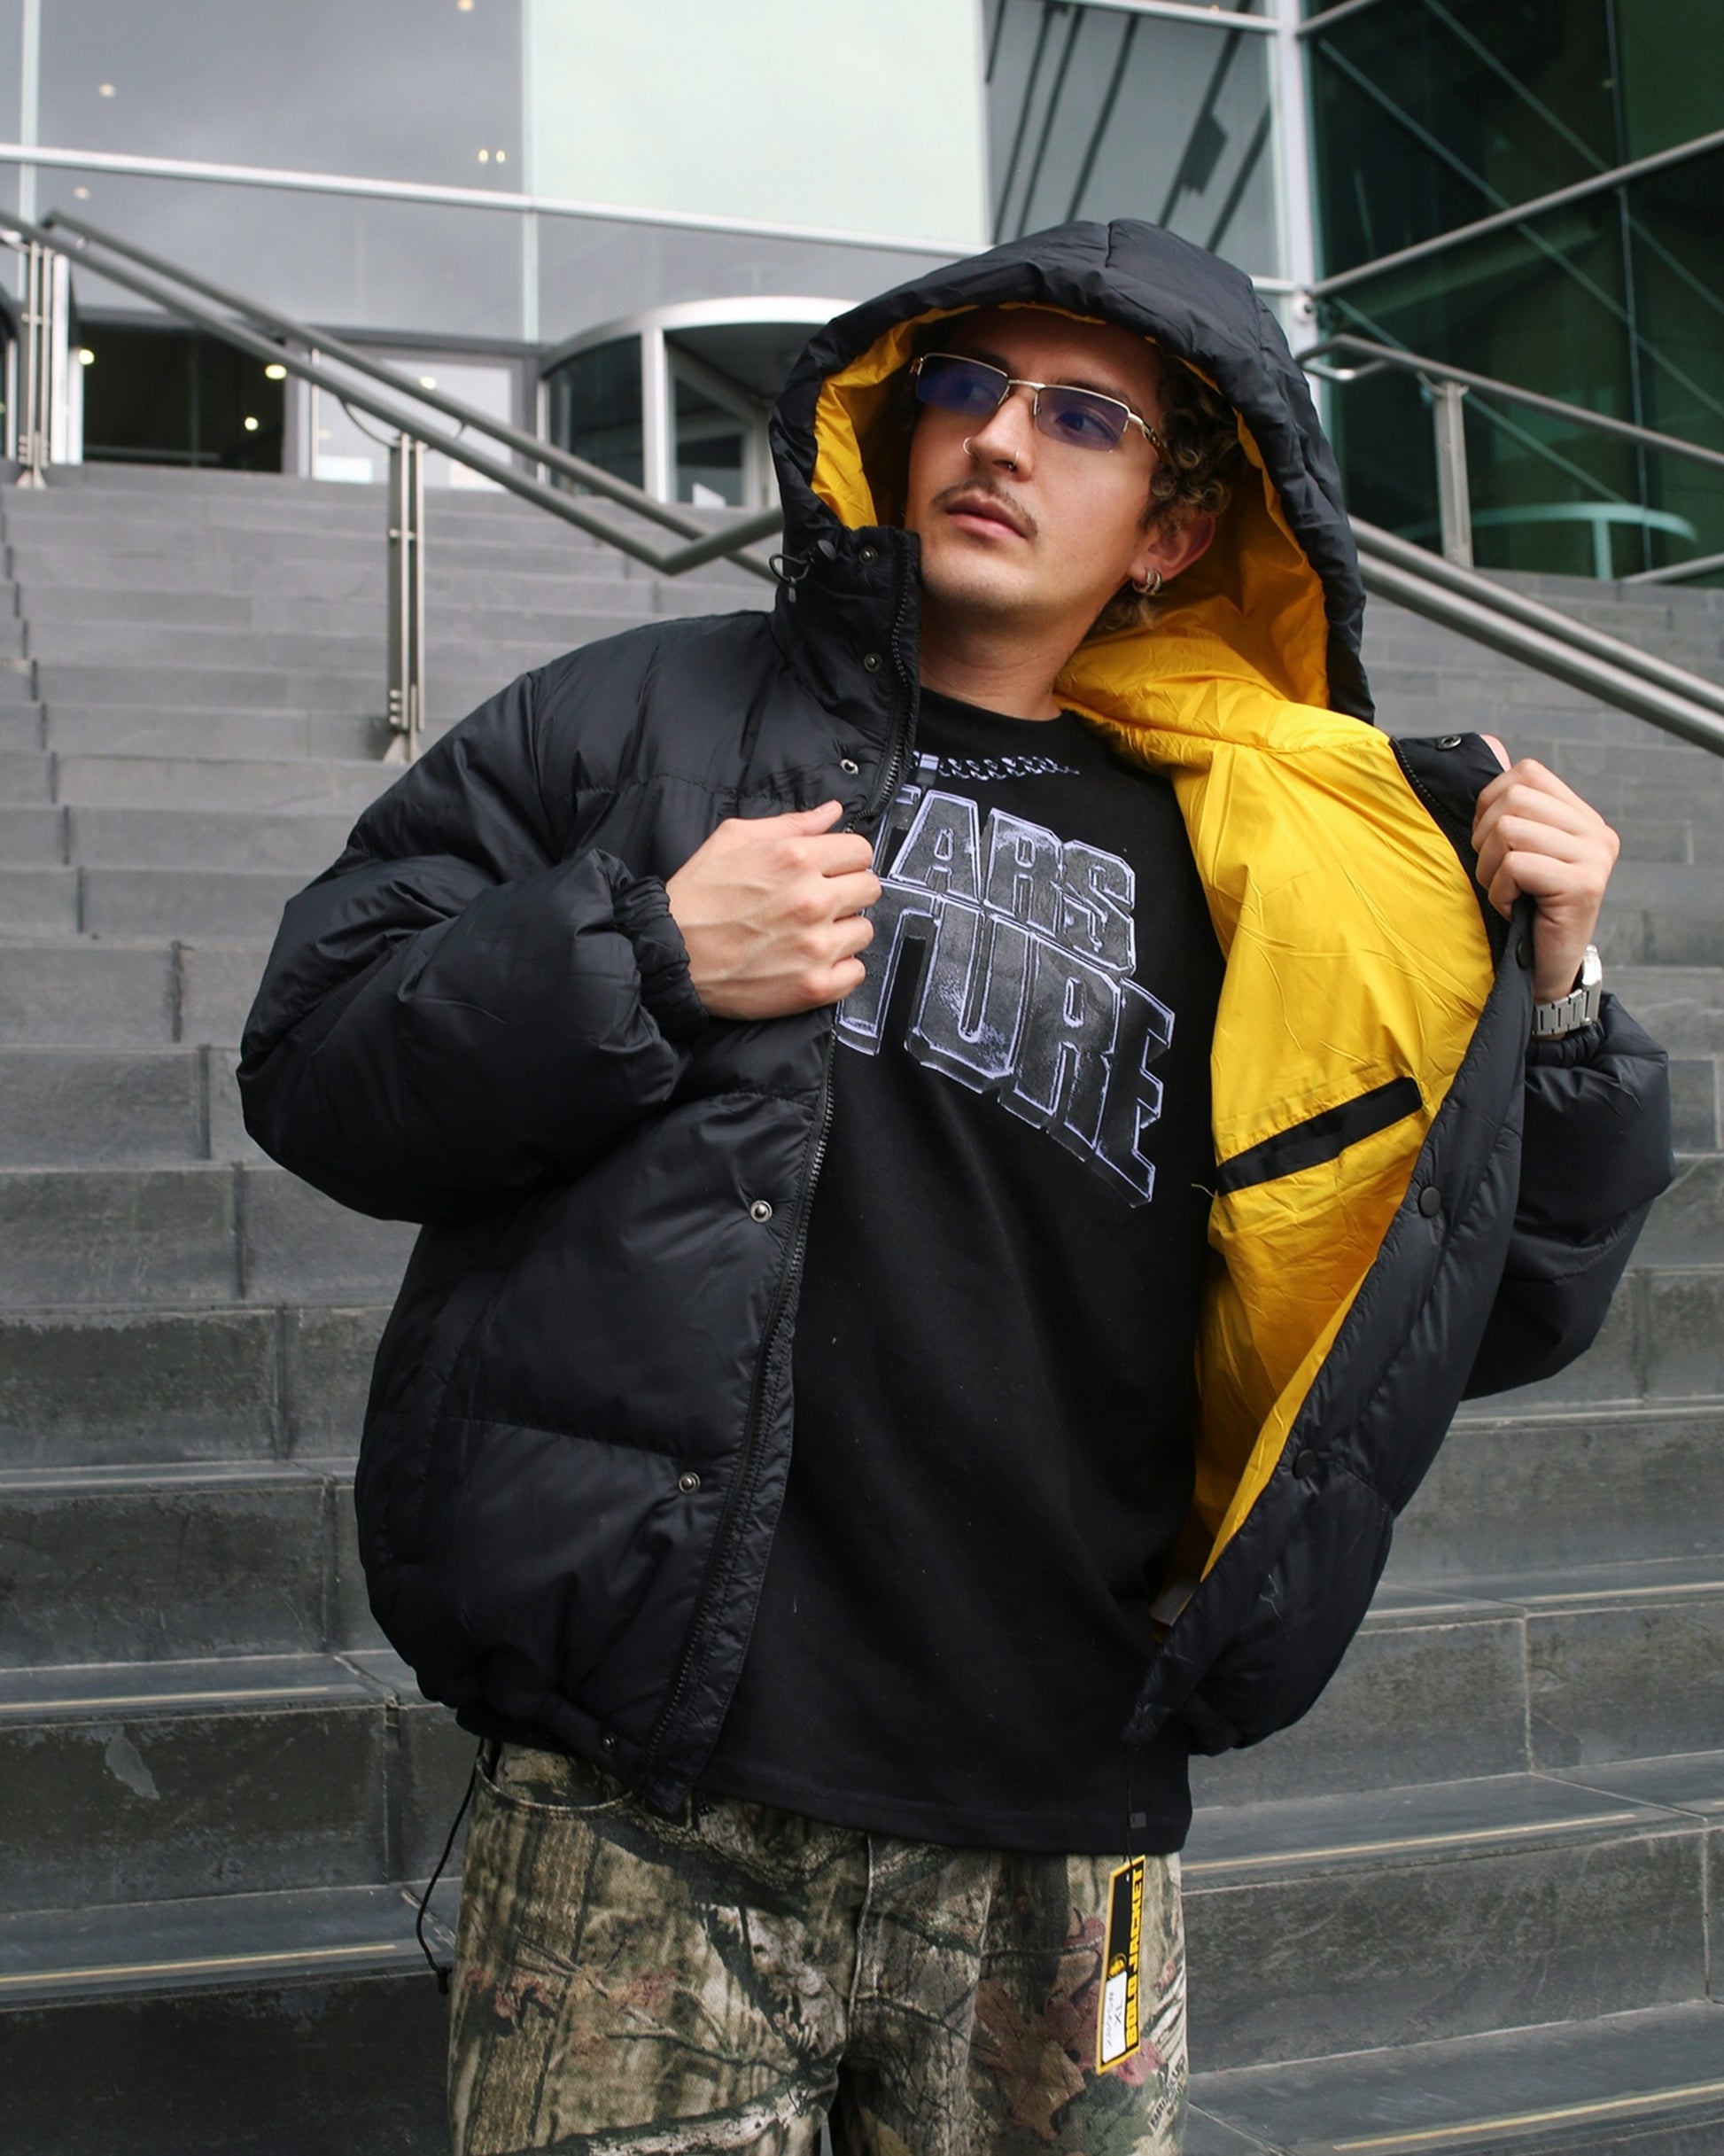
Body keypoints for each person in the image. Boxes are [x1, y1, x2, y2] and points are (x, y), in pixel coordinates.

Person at [239, 220, 1672, 2155]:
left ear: (1172, 530)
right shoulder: (631, 725)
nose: (1000, 439)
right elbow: (318, 1057)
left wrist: (1555, 1002)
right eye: (968, 387)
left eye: (1081, 418)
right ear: (893, 432)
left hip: (1063, 1815)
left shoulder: (1304, 864)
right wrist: (643, 953)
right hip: (654, 1795)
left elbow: (1459, 1313)